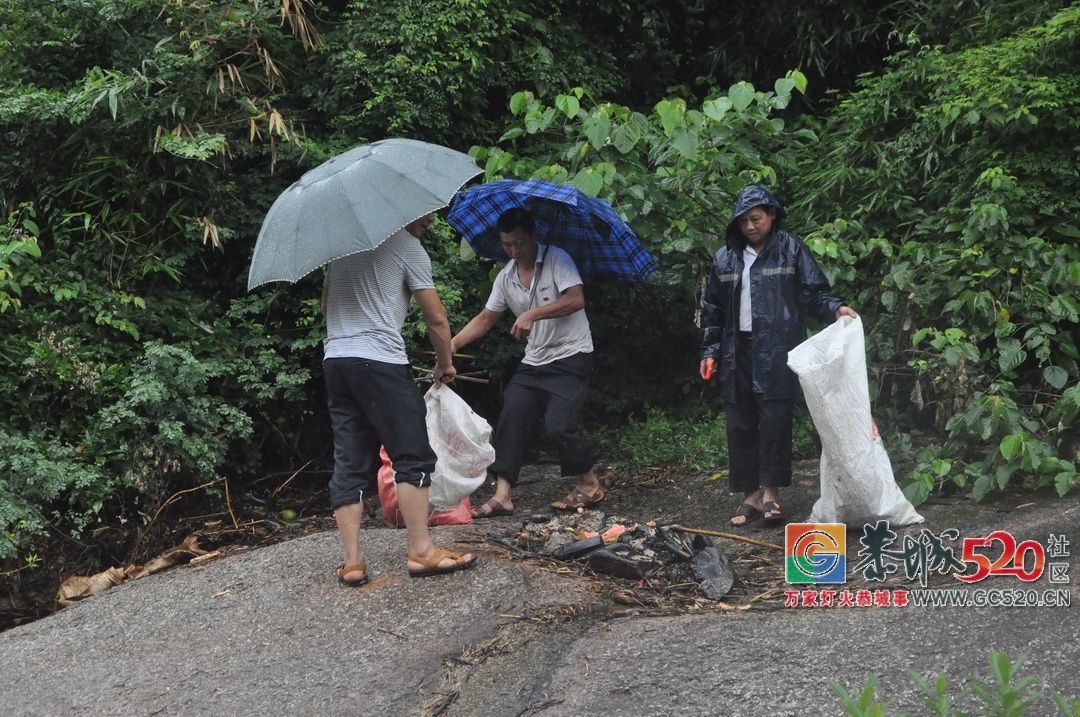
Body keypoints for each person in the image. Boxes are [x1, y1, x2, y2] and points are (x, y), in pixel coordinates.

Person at [322, 212, 476, 585]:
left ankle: (352, 562)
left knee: (350, 458)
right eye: (425, 214)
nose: (431, 219)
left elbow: (327, 305)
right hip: (380, 361)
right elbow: (436, 318)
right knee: (412, 454)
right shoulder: (408, 247)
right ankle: (422, 551)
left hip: (337, 361)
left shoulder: (342, 250)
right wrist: (445, 363)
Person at [700, 186, 858, 528]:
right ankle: (749, 498)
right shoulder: (725, 258)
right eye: (744, 222)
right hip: (735, 350)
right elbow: (712, 311)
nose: (750, 227)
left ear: (771, 215)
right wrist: (710, 351)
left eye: (756, 219)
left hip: (776, 348)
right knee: (739, 423)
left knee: (774, 420)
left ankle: (771, 495)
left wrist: (836, 309)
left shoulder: (791, 250)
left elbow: (814, 293)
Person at [451, 208, 601, 517]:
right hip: (535, 360)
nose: (514, 251)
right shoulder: (506, 277)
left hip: (572, 354)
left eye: (520, 243)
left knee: (558, 425)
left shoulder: (557, 259)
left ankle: (588, 484)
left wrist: (532, 313)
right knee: (512, 416)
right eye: (507, 245)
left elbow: (576, 299)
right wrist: (451, 345)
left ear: (534, 236)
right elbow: (486, 317)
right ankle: (503, 494)